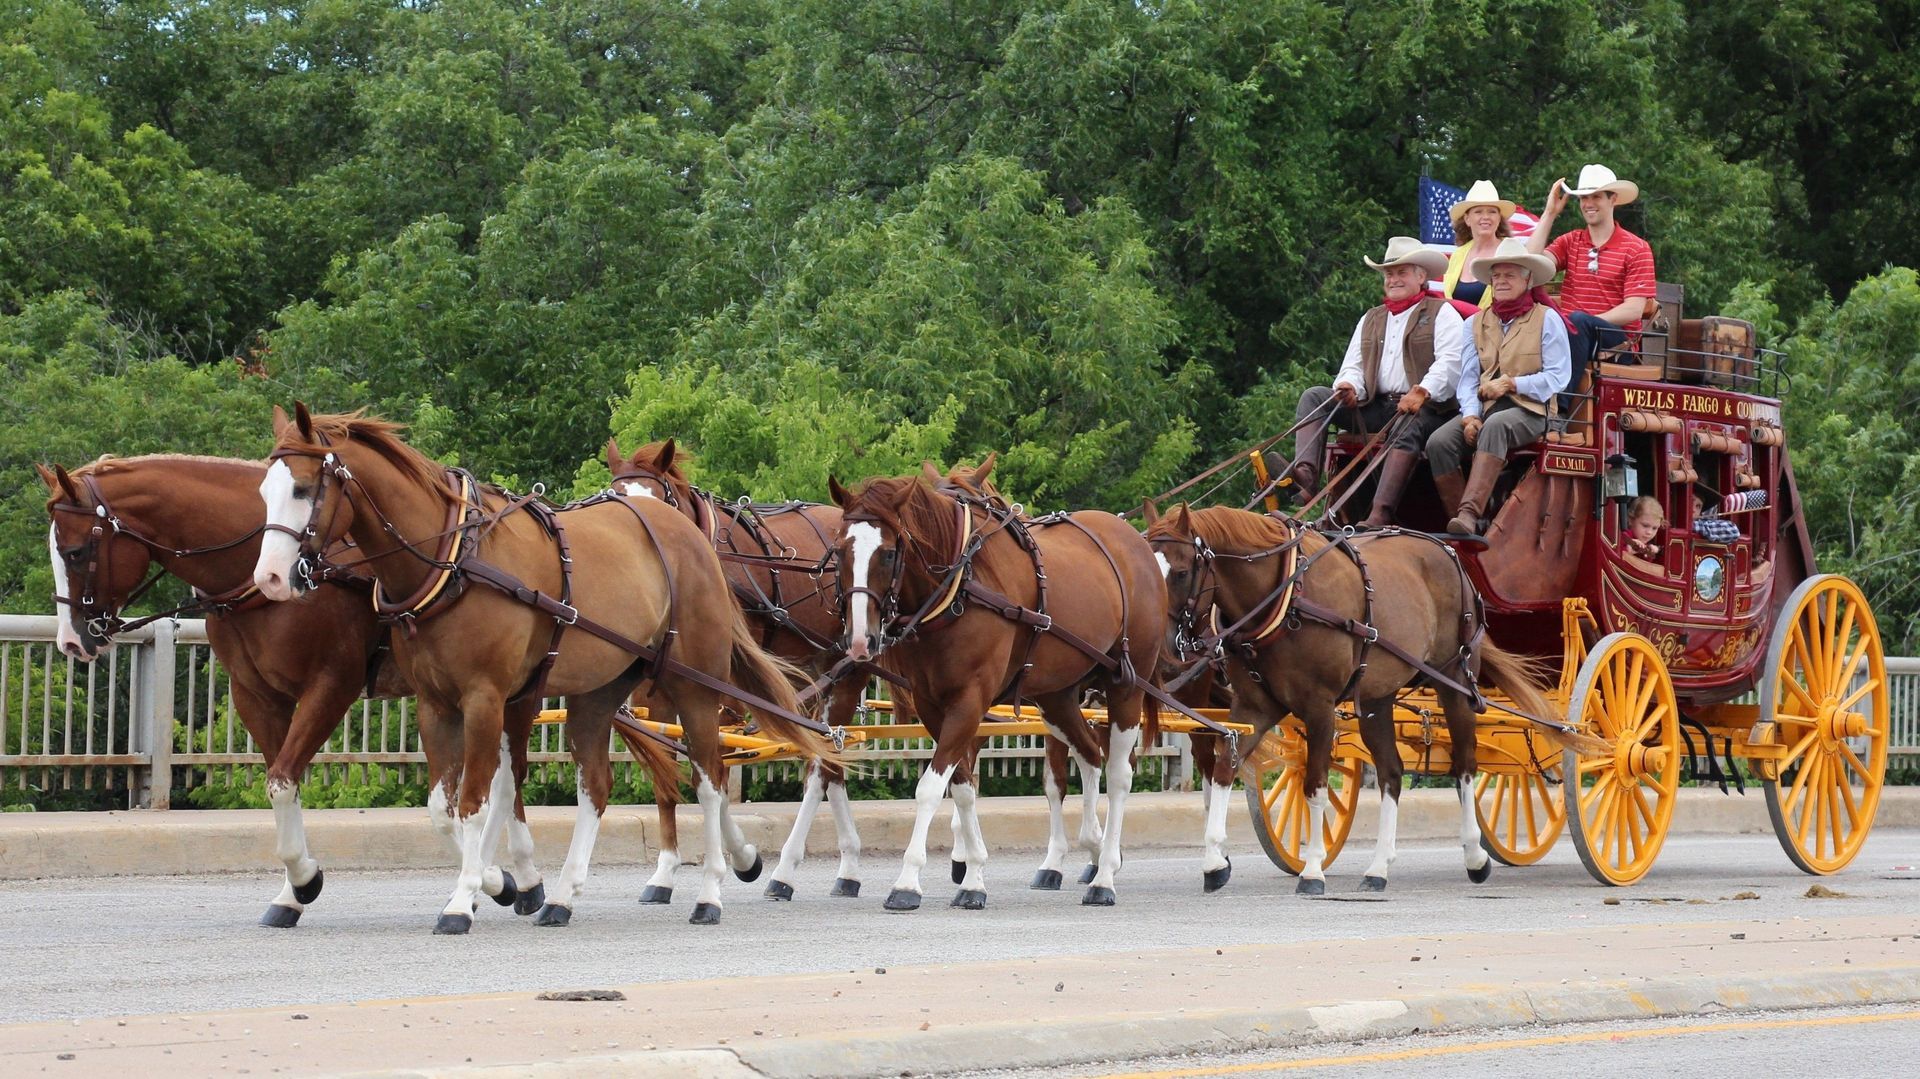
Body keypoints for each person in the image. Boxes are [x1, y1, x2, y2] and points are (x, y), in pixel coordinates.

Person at [1264, 236, 1465, 527]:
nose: (1393, 279)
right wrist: (1348, 388)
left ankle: (1380, 511)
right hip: (1378, 406)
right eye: (1389, 274)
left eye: (1401, 272)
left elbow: (1451, 363)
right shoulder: (1371, 318)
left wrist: (1423, 390)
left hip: (1429, 410)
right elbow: (1353, 366)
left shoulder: (1442, 313)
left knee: (1407, 423)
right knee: (1315, 397)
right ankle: (1305, 479)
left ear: (1421, 276)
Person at [1425, 237, 1572, 535]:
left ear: (1528, 279)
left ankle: (1468, 514)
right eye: (1497, 275)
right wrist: (1469, 416)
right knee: (1438, 442)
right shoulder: (1475, 323)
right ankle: (1463, 524)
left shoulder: (1548, 318)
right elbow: (1467, 378)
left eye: (1510, 274)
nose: (1502, 281)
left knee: (1497, 426)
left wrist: (1511, 384)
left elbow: (1558, 377)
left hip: (1534, 411)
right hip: (1486, 410)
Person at [1526, 163, 1656, 365]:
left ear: (1613, 199)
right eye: (1584, 197)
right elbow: (1528, 267)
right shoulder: (1570, 241)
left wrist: (1585, 322)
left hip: (1616, 345)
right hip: (1569, 334)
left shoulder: (1637, 248)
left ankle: (1562, 398)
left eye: (1596, 196)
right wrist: (1550, 213)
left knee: (1576, 322)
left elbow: (1633, 310)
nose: (1588, 203)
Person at [1440, 180, 1514, 310]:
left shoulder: (1510, 252)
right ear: (1467, 219)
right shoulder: (1457, 255)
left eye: (1492, 211)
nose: (1485, 217)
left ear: (1499, 218)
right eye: (1478, 211)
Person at [1623, 495, 1663, 561]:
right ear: (1631, 520)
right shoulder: (1623, 536)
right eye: (1645, 526)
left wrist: (1650, 552)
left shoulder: (1646, 544)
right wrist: (1627, 548)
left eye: (1654, 528)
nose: (1649, 532)